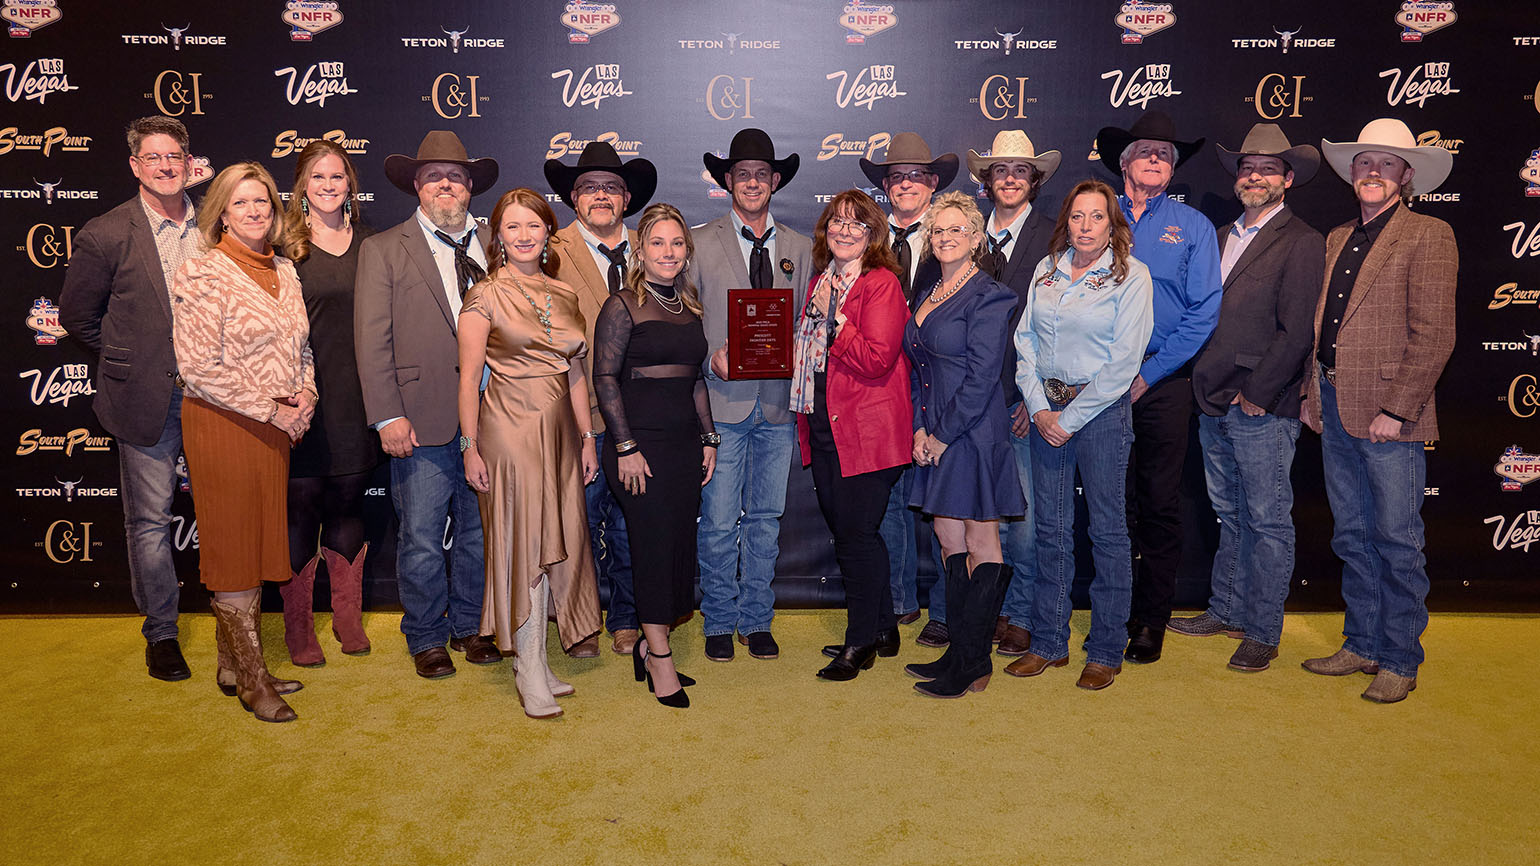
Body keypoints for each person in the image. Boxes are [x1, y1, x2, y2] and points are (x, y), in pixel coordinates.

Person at [1300, 118, 1457, 704]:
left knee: (1395, 538)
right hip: (1336, 401)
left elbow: (1435, 333)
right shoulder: (1338, 236)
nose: (1372, 172)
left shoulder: (1429, 233)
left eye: (1386, 163)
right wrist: (1313, 395)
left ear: (1406, 175)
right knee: (1352, 534)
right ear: (1351, 173)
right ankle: (1361, 642)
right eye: (1364, 162)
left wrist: (1398, 408)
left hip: (1390, 412)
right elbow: (1324, 328)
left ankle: (1399, 657)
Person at [1175, 124, 1325, 673]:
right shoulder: (1217, 236)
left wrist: (1259, 393)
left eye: (1267, 169)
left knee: (1266, 519)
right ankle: (1226, 609)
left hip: (1262, 402)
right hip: (1211, 396)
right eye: (1246, 167)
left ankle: (1263, 629)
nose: (1254, 176)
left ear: (1288, 179)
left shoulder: (1303, 241)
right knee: (1230, 512)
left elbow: (1297, 332)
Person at [59, 116, 201, 683]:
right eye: (154, 157)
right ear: (135, 166)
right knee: (149, 522)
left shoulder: (215, 226)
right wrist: (129, 357)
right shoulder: (107, 232)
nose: (166, 166)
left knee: (222, 515)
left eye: (175, 156)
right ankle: (161, 635)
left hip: (217, 397)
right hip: (143, 400)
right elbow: (76, 317)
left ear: (189, 164)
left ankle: (231, 623)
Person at [172, 162, 313, 722]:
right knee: (233, 548)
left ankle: (232, 663)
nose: (255, 212)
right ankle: (254, 681)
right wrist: (272, 411)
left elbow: (302, 349)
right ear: (221, 214)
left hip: (275, 429)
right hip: (223, 426)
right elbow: (198, 368)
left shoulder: (286, 269)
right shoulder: (202, 272)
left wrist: (305, 398)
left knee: (254, 544)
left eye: (263, 203)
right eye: (241, 203)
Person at [355, 131, 498, 679]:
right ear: (417, 185)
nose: (446, 184)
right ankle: (425, 636)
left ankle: (469, 625)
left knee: (478, 530)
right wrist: (387, 415)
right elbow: (371, 340)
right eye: (434, 176)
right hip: (420, 416)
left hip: (495, 416)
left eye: (456, 176)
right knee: (419, 532)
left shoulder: (499, 241)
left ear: (470, 188)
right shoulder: (384, 248)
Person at [458, 188, 603, 719]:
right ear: (498, 236)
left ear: (548, 234)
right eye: (513, 227)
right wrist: (470, 446)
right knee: (525, 547)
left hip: (562, 433)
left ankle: (539, 659)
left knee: (555, 542)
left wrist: (588, 438)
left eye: (533, 226)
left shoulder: (565, 293)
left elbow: (578, 373)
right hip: (508, 432)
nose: (524, 236)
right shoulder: (485, 295)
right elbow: (470, 377)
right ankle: (527, 669)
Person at [1005, 180, 1154, 691]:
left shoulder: (1132, 276)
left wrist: (1067, 420)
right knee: (1050, 529)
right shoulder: (1046, 270)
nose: (1085, 227)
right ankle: (1049, 642)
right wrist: (1040, 406)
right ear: (1065, 220)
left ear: (1113, 224)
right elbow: (1023, 341)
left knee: (1108, 532)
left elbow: (1123, 363)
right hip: (1047, 412)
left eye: (1096, 217)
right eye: (1077, 216)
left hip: (1101, 416)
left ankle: (1107, 648)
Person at [1095, 110, 1222, 665]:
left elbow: (1203, 312)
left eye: (1165, 154)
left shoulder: (1192, 226)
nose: (1156, 159)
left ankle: (1151, 621)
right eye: (1146, 150)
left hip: (1162, 380)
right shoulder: (1092, 215)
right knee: (1107, 502)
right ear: (1124, 162)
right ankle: (1111, 613)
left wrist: (1150, 373)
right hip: (1096, 378)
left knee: (1159, 503)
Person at [691, 128, 813, 663]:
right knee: (718, 520)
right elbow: (682, 323)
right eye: (742, 174)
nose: (753, 183)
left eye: (762, 174)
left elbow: (810, 322)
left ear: (776, 181)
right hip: (722, 402)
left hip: (777, 404)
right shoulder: (698, 243)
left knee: (766, 517)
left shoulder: (801, 248)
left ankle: (756, 618)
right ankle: (718, 619)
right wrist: (707, 356)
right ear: (727, 182)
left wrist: (797, 346)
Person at [593, 203, 718, 708]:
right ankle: (660, 657)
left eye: (676, 243)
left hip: (683, 446)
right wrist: (624, 447)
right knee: (648, 546)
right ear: (640, 251)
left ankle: (649, 643)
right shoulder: (621, 305)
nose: (668, 252)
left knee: (675, 546)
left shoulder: (689, 306)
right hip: (637, 447)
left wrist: (709, 439)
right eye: (658, 243)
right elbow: (604, 378)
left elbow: (695, 379)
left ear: (686, 252)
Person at [901, 190, 1024, 699]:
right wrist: (917, 429)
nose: (947, 237)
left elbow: (981, 378)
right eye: (939, 230)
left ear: (976, 238)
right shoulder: (929, 290)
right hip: (933, 432)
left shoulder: (990, 295)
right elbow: (918, 370)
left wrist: (941, 435)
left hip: (971, 434)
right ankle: (958, 649)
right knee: (948, 539)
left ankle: (974, 663)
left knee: (981, 541)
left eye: (958, 230)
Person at [544, 141, 656, 658]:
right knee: (580, 523)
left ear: (628, 197)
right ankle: (580, 618)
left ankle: (628, 616)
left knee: (636, 523)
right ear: (572, 197)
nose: (601, 196)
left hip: (642, 417)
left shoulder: (653, 246)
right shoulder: (548, 251)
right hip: (575, 414)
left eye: (611, 187)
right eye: (589, 187)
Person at [794, 191, 911, 681]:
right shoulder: (822, 282)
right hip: (825, 427)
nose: (844, 230)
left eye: (855, 223)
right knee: (854, 534)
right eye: (836, 222)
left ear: (872, 234)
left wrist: (834, 321)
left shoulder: (880, 283)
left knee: (856, 538)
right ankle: (882, 626)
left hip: (868, 433)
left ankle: (859, 640)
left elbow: (877, 358)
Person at [276, 140, 380, 667]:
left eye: (337, 175)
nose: (328, 185)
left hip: (359, 398)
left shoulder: (373, 245)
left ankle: (347, 619)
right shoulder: (283, 245)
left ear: (350, 184)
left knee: (347, 505)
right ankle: (298, 629)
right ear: (301, 187)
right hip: (303, 398)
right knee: (300, 512)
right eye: (317, 177)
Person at [964, 129, 1060, 658]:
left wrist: (1034, 396)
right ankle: (990, 609)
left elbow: (1057, 325)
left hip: (1021, 401)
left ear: (1034, 180)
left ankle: (1022, 613)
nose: (1009, 179)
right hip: (973, 402)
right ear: (986, 181)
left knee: (1022, 518)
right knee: (979, 515)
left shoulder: (1054, 236)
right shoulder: (965, 236)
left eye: (1019, 171)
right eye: (1000, 171)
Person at [858, 132, 955, 646]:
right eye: (897, 177)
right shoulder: (867, 242)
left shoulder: (950, 237)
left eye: (917, 176)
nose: (907, 185)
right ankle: (898, 602)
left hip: (938, 389)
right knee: (890, 503)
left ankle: (943, 608)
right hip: (882, 389)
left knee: (944, 504)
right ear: (886, 187)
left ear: (933, 184)